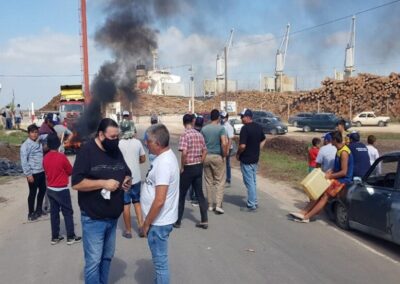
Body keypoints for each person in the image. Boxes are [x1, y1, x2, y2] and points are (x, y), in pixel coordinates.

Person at [72, 118, 132, 284]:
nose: (116, 141)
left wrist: (127, 180)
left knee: (106, 258)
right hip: (93, 219)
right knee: (93, 262)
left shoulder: (115, 150)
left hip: (112, 218)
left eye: (117, 137)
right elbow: (76, 183)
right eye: (112, 137)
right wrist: (103, 183)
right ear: (101, 135)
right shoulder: (87, 151)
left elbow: (126, 171)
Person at [140, 124, 179, 284]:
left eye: (147, 142)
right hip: (160, 220)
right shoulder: (164, 158)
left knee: (160, 265)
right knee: (159, 264)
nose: (146, 144)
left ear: (157, 143)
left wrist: (146, 223)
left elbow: (160, 199)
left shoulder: (164, 163)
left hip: (158, 222)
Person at [290, 131, 354, 223]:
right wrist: (330, 171)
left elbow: (344, 172)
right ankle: (303, 212)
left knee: (324, 196)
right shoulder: (339, 150)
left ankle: (307, 216)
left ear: (335, 140)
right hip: (336, 177)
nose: (330, 142)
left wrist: (330, 176)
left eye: (331, 140)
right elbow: (337, 167)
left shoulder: (344, 152)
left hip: (343, 180)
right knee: (317, 190)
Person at [43, 133, 81, 245]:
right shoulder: (61, 157)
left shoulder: (45, 158)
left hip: (50, 189)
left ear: (48, 145)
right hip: (62, 189)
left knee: (54, 214)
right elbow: (70, 171)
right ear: (58, 144)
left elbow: (46, 171)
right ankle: (70, 237)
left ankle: (55, 237)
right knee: (67, 212)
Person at [174, 114, 208, 229]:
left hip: (188, 167)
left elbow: (184, 153)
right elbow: (205, 151)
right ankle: (204, 220)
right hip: (198, 166)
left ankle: (178, 221)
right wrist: (200, 162)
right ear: (193, 122)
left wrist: (182, 166)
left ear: (184, 123)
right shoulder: (199, 134)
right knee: (200, 194)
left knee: (182, 194)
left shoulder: (184, 135)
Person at [118, 123, 146, 238]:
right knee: (137, 202)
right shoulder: (137, 142)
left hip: (124, 179)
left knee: (126, 205)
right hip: (137, 178)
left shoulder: (118, 144)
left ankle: (128, 231)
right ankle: (141, 227)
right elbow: (143, 159)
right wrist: (135, 162)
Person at [236, 109, 266, 211]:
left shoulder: (245, 129)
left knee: (249, 182)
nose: (241, 118)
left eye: (242, 116)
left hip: (246, 159)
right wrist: (258, 149)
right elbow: (263, 139)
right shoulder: (258, 127)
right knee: (253, 181)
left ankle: (251, 204)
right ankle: (254, 200)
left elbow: (243, 145)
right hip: (255, 158)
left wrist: (238, 153)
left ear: (248, 117)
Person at [201, 109, 228, 214]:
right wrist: (224, 155)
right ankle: (218, 204)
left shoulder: (204, 129)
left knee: (208, 181)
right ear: (218, 118)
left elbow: (202, 144)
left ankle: (210, 205)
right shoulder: (221, 129)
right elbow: (224, 143)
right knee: (220, 181)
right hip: (217, 156)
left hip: (206, 156)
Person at [20, 124, 47, 221]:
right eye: (32, 132)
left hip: (41, 171)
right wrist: (28, 174)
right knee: (33, 193)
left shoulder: (39, 141)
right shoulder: (25, 146)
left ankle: (39, 209)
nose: (35, 134)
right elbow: (24, 161)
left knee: (43, 191)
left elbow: (46, 136)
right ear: (28, 133)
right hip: (33, 173)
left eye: (36, 132)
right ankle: (31, 213)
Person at [220, 111, 234, 186]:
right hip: (222, 146)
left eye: (223, 117)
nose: (222, 119)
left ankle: (228, 179)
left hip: (227, 147)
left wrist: (228, 149)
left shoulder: (229, 127)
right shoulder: (221, 125)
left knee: (227, 164)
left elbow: (230, 139)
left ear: (227, 118)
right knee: (221, 163)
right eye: (221, 117)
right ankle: (222, 179)